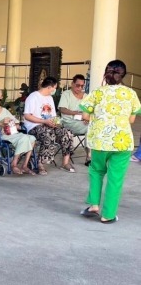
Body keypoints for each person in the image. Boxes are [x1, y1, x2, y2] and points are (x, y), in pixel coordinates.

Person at [79, 60, 141, 224]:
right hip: (122, 142)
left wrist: (97, 118)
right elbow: (131, 120)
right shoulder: (131, 94)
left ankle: (94, 205)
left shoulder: (97, 92)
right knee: (115, 178)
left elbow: (85, 115)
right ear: (123, 75)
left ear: (106, 73)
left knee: (96, 171)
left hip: (100, 141)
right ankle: (108, 215)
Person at [23, 77, 75, 175]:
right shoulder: (33, 97)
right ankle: (40, 163)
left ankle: (65, 163)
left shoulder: (49, 98)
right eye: (54, 88)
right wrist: (44, 121)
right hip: (34, 126)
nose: (55, 90)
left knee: (67, 132)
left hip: (48, 124)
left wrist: (56, 122)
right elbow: (27, 116)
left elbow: (53, 116)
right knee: (49, 134)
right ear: (49, 87)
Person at [0, 88, 36, 175]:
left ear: (1, 99)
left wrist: (13, 124)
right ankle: (14, 164)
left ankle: (24, 165)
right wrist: (0, 123)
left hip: (10, 133)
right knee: (24, 138)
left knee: (32, 138)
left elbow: (16, 122)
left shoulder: (5, 111)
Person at [58, 74, 91, 165]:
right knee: (90, 128)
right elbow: (62, 109)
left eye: (82, 86)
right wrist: (76, 113)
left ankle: (90, 155)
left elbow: (90, 111)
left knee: (92, 127)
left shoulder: (86, 96)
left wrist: (87, 118)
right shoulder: (66, 94)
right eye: (77, 85)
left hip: (82, 122)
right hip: (69, 122)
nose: (80, 88)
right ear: (72, 84)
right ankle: (89, 157)